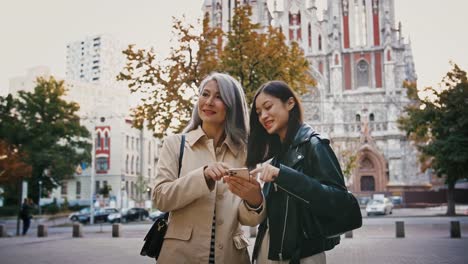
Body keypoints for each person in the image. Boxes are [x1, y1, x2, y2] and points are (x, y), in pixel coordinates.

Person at [152, 72, 264, 264]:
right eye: (205, 94)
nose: (209, 102)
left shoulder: (246, 153)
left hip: (231, 256)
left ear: (232, 106)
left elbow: (249, 220)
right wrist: (202, 176)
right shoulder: (175, 144)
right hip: (180, 256)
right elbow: (160, 198)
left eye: (219, 97)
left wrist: (255, 201)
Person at [244, 81, 359, 264]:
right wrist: (253, 195)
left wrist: (283, 176)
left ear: (290, 103)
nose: (263, 116)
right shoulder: (277, 155)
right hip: (269, 254)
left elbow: (340, 202)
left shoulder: (314, 145)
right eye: (258, 113)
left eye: (268, 107)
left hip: (302, 256)